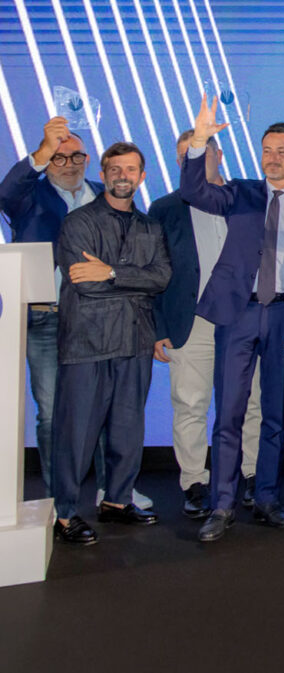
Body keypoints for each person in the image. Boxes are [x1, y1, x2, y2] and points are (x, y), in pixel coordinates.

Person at [180, 97, 284, 543]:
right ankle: (222, 504)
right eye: (266, 150)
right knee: (228, 415)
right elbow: (194, 191)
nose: (272, 158)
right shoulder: (241, 193)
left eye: (281, 151)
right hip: (237, 314)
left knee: (274, 415)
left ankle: (268, 498)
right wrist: (199, 142)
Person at [49, 142, 171, 545]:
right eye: (115, 169)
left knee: (127, 429)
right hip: (87, 343)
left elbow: (162, 278)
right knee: (76, 433)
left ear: (142, 177)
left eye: (130, 169)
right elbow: (84, 283)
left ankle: (117, 501)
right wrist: (131, 278)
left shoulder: (150, 227)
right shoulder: (78, 223)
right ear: (102, 175)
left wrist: (113, 273)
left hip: (135, 341)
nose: (123, 176)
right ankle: (65, 514)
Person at [149, 132, 262, 519]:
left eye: (198, 153)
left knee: (251, 402)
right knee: (190, 405)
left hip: (244, 320)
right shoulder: (164, 209)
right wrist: (158, 326)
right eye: (184, 157)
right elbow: (153, 271)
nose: (191, 162)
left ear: (219, 154)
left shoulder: (249, 199)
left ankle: (252, 475)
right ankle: (195, 482)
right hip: (191, 321)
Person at [1, 117, 102, 500]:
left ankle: (112, 492)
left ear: (88, 159)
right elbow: (6, 191)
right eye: (59, 157)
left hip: (96, 318)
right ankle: (59, 499)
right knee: (51, 411)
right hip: (45, 318)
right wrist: (41, 152)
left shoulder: (103, 194)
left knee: (103, 407)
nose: (69, 164)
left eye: (77, 156)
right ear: (47, 162)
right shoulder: (29, 195)